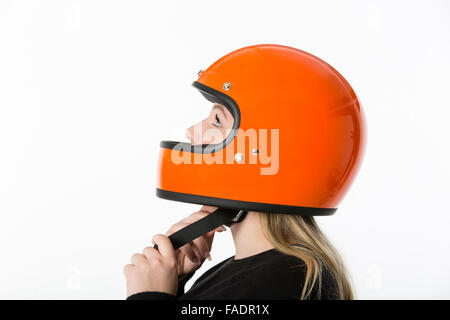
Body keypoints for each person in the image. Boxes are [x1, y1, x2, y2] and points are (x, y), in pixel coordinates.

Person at [123, 103, 353, 300]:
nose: (190, 132)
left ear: (262, 152)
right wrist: (174, 286)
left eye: (216, 121)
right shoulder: (261, 273)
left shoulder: (282, 281)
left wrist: (149, 297)